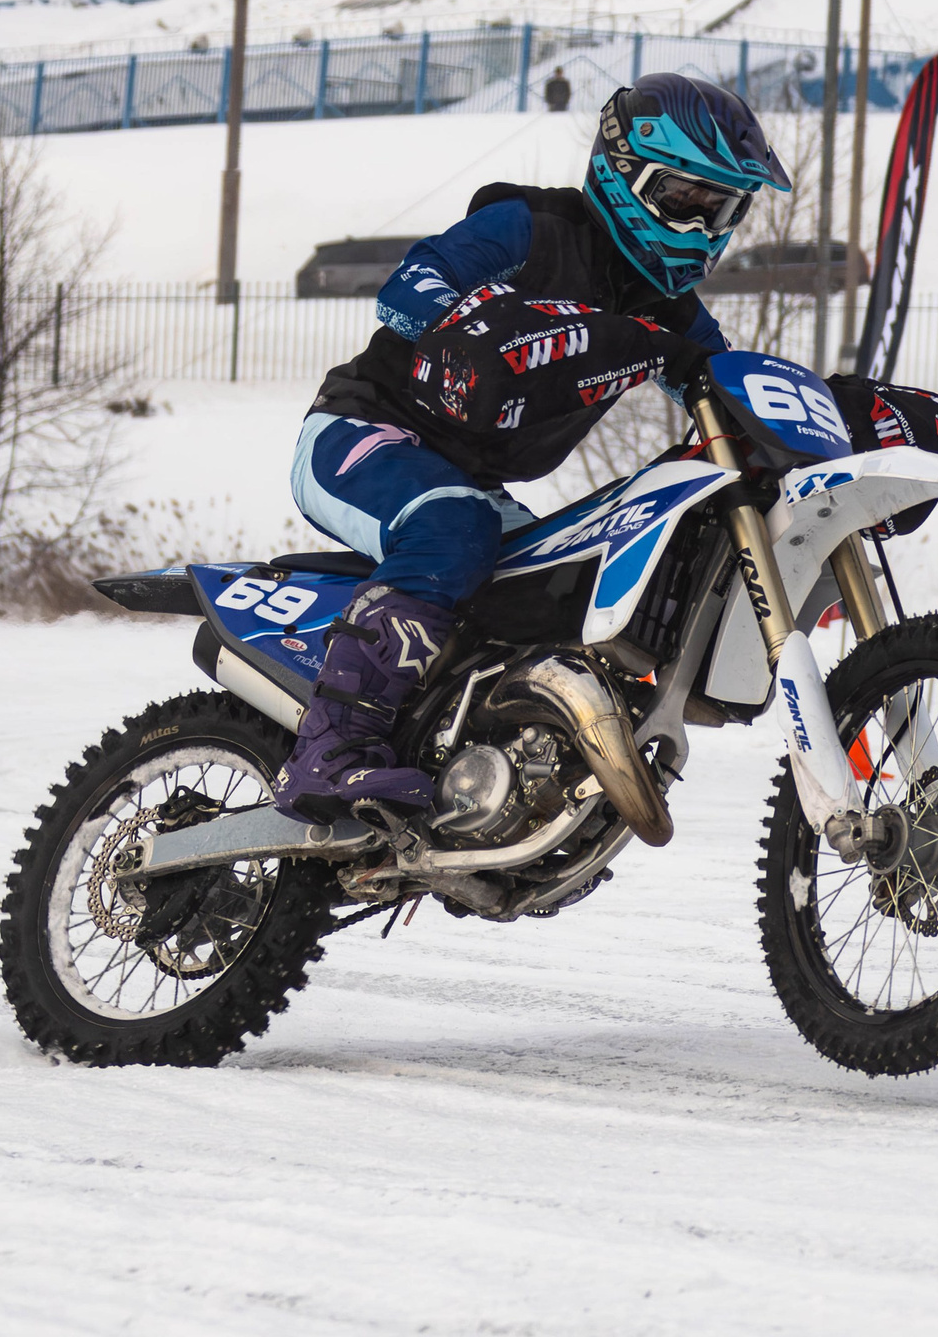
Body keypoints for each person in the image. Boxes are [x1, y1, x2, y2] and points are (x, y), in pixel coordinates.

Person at [273, 72, 789, 821]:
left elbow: (729, 388)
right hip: (367, 431)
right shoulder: (529, 228)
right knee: (456, 529)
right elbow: (407, 291)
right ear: (628, 178)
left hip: (473, 481)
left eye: (723, 209)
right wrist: (517, 324)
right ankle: (330, 753)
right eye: (687, 201)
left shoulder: (668, 310)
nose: (706, 226)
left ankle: (494, 791)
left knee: (561, 596)